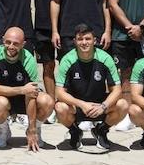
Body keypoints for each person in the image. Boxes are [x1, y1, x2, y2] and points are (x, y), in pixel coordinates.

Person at [53, 23, 127, 151]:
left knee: (123, 105)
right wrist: (81, 104)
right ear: (75, 41)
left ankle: (101, 130)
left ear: (94, 40)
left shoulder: (105, 58)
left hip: (99, 104)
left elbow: (117, 89)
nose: (84, 42)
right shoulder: (67, 60)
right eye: (80, 39)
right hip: (77, 105)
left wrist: (103, 106)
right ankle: (75, 132)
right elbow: (59, 93)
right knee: (60, 107)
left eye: (87, 39)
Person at [0, 27, 54, 150]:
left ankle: (36, 130)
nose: (11, 46)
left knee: (47, 101)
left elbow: (32, 94)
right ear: (3, 41)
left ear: (23, 44)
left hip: (26, 100)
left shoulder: (28, 59)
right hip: (5, 97)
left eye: (16, 44)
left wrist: (32, 128)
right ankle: (3, 130)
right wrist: (22, 90)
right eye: (8, 42)